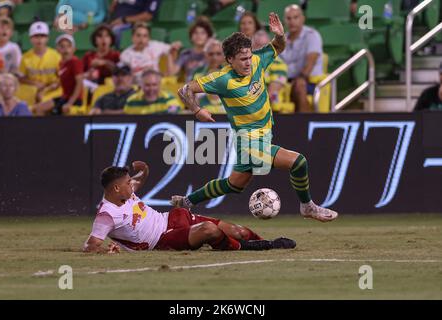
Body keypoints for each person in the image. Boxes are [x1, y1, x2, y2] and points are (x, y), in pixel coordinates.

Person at [173, 13, 338, 223]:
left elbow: (278, 47)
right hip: (249, 140)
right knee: (298, 162)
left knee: (234, 184)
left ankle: (186, 202)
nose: (248, 62)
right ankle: (307, 206)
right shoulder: (223, 79)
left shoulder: (258, 61)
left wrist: (280, 36)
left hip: (264, 134)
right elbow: (185, 90)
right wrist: (197, 110)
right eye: (242, 59)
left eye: (249, 56)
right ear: (229, 60)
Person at [83, 161, 296, 253]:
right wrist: (106, 252)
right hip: (162, 239)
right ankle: (247, 248)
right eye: (128, 183)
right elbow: (91, 245)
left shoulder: (124, 194)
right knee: (209, 231)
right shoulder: (107, 214)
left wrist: (145, 170)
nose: (132, 185)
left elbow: (138, 181)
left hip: (173, 218)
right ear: (117, 188)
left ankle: (266, 243)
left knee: (236, 230)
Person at [280, 5, 323, 113]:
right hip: (286, 82)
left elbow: (311, 62)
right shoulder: (281, 40)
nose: (292, 21)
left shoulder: (312, 36)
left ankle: (304, 125)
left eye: (295, 17)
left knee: (300, 85)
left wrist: (301, 77)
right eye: (288, 18)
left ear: (302, 19)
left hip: (309, 82)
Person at [33, 34, 83, 116]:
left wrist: (70, 103)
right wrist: (45, 90)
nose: (66, 49)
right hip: (64, 97)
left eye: (68, 46)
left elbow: (79, 84)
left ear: (74, 49)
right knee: (39, 108)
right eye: (62, 46)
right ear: (57, 49)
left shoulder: (75, 62)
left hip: (75, 100)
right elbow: (60, 82)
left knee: (57, 112)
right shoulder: (61, 64)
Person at [19, 21, 62, 104]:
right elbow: (21, 78)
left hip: (52, 89)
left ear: (47, 38)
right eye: (36, 36)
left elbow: (62, 76)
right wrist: (34, 83)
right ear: (30, 39)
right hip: (33, 89)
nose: (39, 39)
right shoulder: (25, 57)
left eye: (42, 36)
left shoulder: (56, 56)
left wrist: (52, 86)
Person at [168, 17, 214, 82]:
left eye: (203, 33)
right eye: (195, 33)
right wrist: (170, 54)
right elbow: (171, 73)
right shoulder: (186, 54)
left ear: (208, 36)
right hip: (190, 88)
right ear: (191, 37)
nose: (199, 36)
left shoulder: (213, 53)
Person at [252, 29, 288, 106]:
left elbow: (273, 91)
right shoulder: (245, 63)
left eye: (263, 47)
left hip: (269, 105)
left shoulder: (278, 64)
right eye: (256, 47)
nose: (259, 51)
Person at [193, 39, 225, 114]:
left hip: (226, 117)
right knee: (189, 123)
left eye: (218, 54)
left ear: (224, 55)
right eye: (211, 54)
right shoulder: (197, 76)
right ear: (205, 55)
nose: (214, 57)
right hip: (202, 116)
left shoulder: (231, 74)